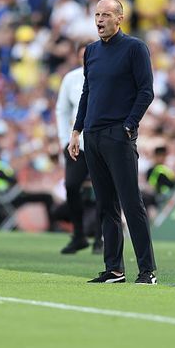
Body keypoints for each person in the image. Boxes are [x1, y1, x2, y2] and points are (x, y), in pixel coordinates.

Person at [68, 0, 157, 284]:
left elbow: (146, 91)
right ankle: (114, 269)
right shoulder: (91, 51)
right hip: (92, 136)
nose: (99, 19)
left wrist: (130, 125)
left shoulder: (134, 48)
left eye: (106, 14)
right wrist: (76, 130)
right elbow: (87, 92)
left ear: (120, 18)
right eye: (96, 14)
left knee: (131, 204)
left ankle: (147, 270)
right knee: (105, 205)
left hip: (119, 134)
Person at [56, 43, 102, 254]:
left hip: (101, 144)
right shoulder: (71, 79)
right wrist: (65, 140)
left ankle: (102, 237)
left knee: (104, 190)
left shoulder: (106, 76)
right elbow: (62, 110)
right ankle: (79, 234)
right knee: (72, 186)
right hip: (78, 144)